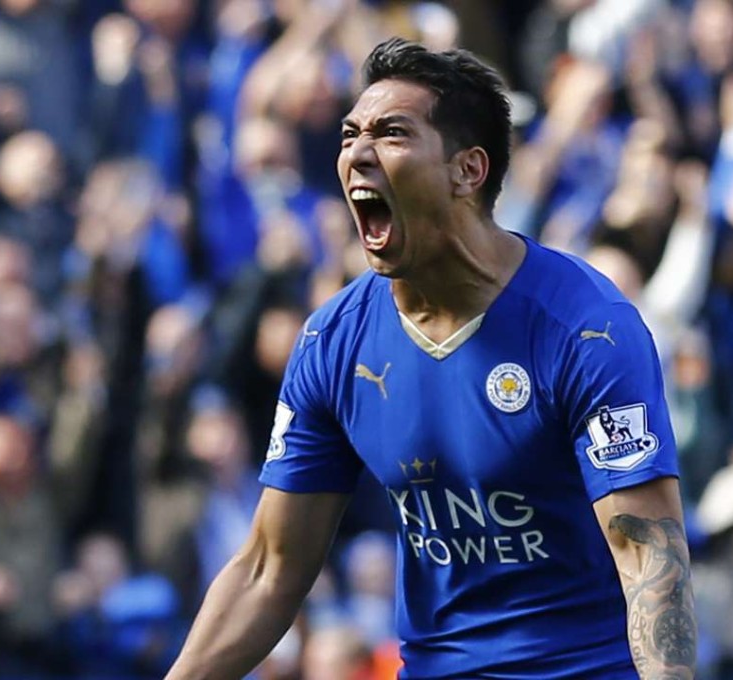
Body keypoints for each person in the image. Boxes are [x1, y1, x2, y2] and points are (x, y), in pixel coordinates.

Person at [166, 37, 696, 679]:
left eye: (391, 134)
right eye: (348, 134)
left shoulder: (588, 330)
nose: (357, 154)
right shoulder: (335, 340)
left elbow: (649, 559)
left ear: (467, 171)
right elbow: (269, 568)